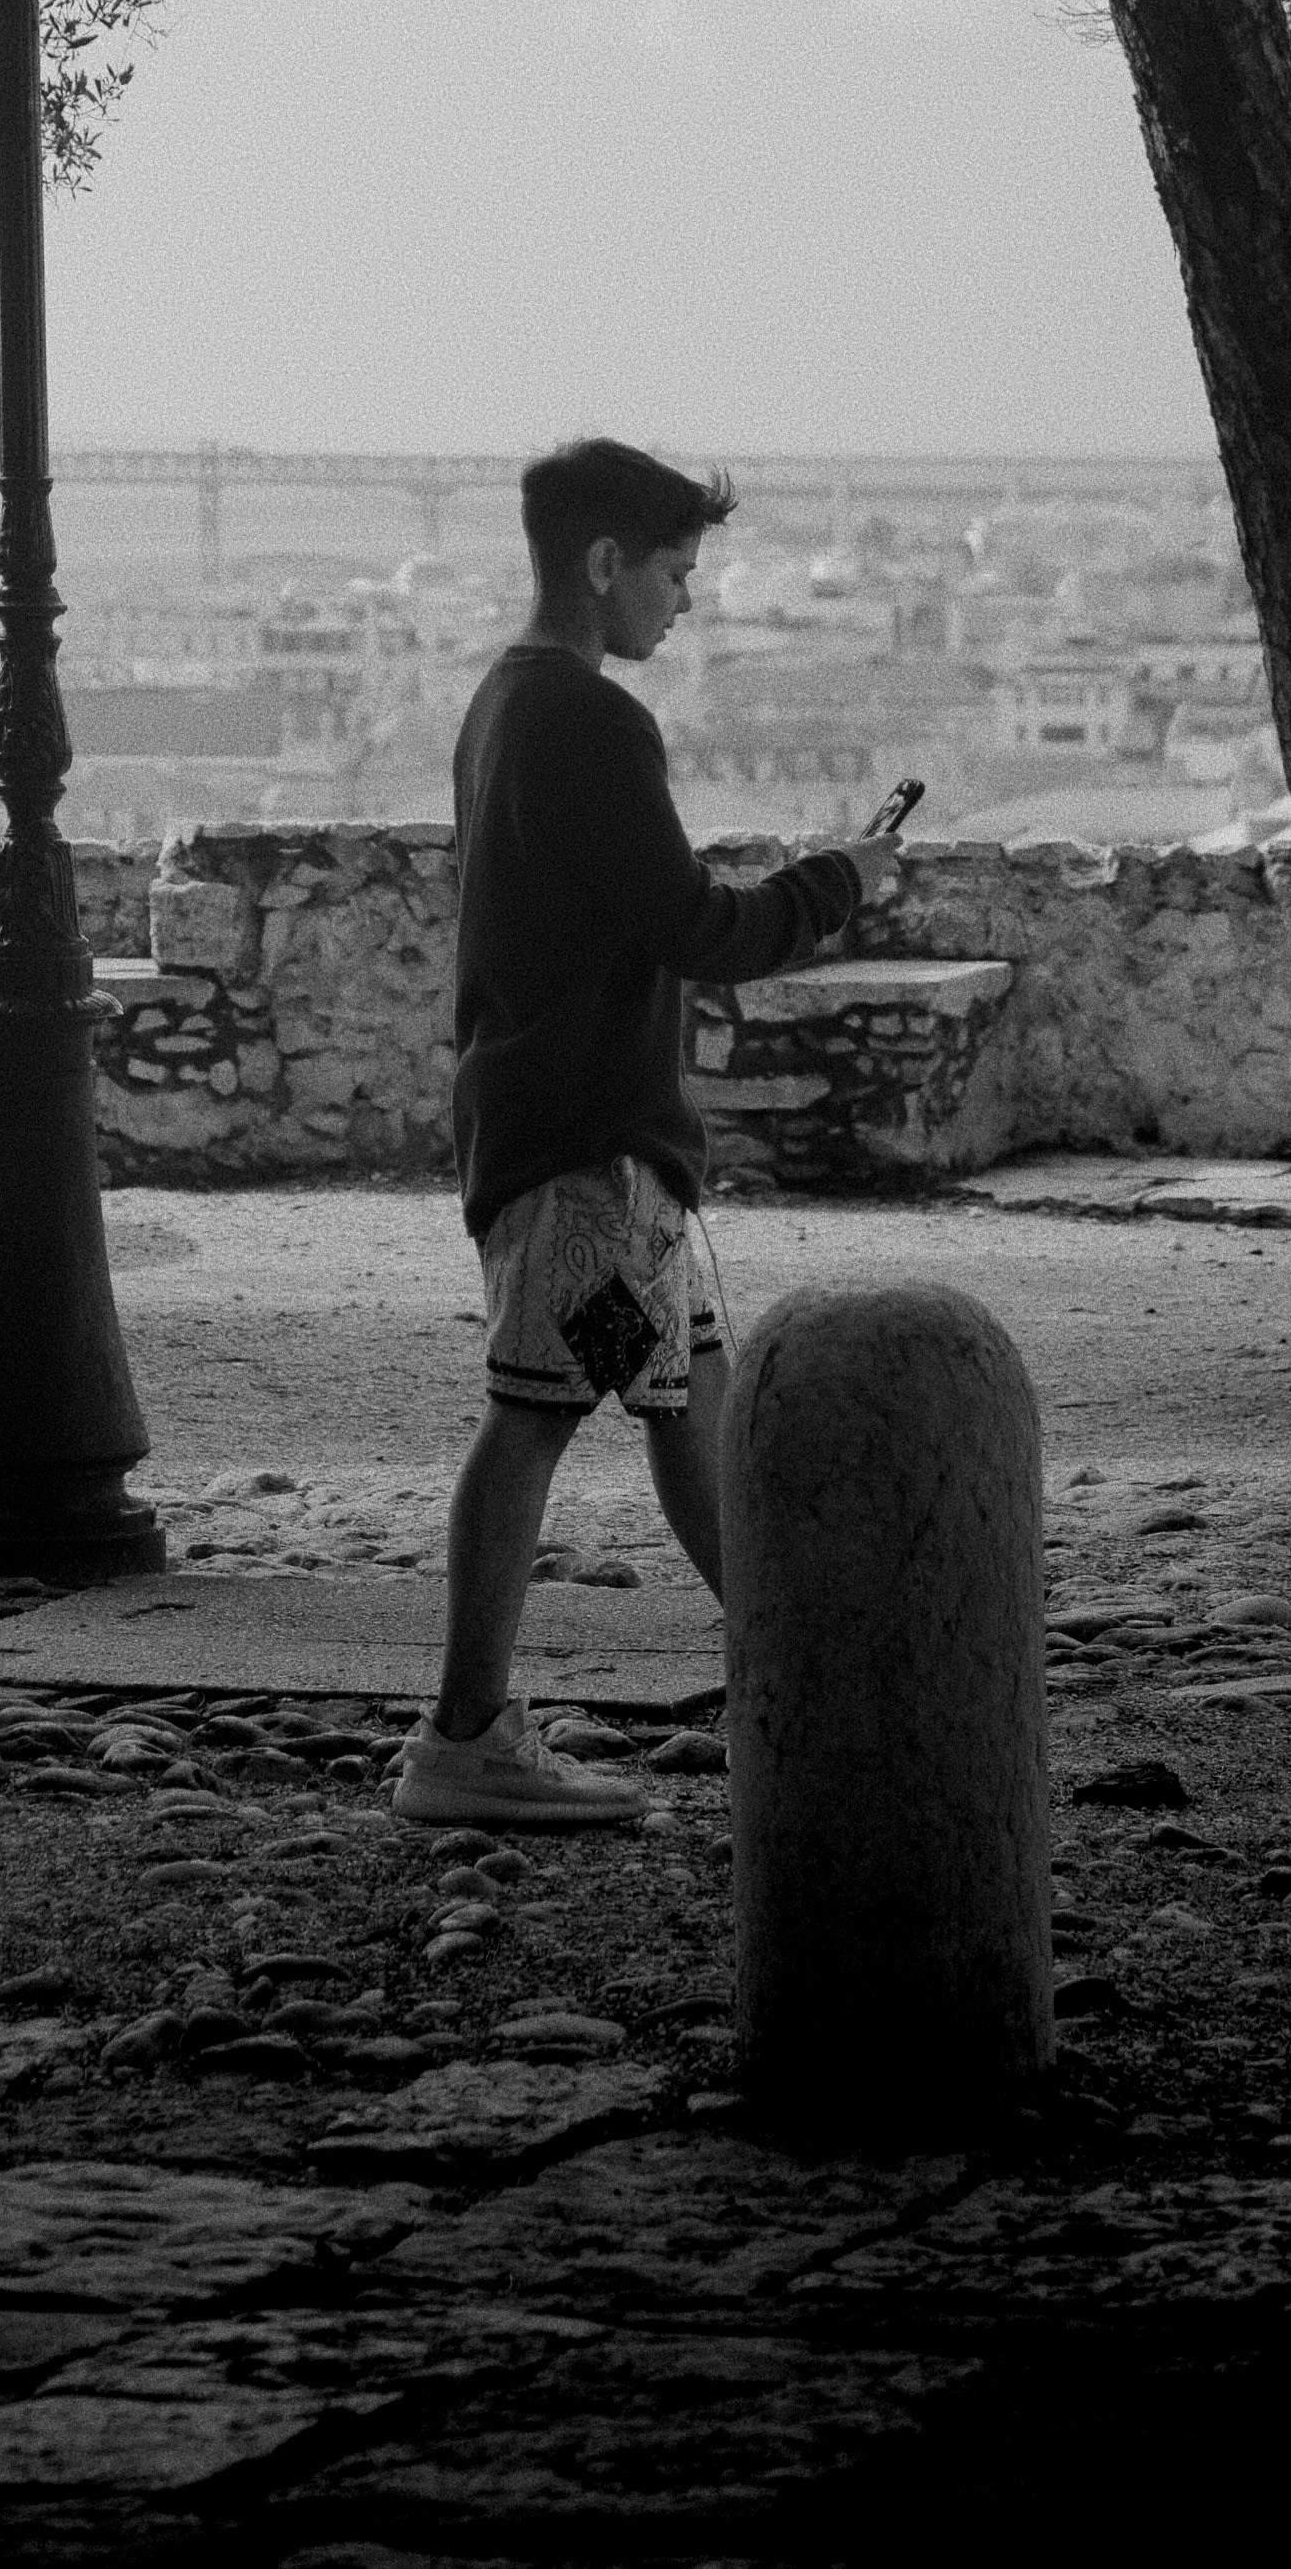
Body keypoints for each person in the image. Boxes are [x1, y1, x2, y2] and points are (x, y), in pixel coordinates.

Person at [393, 436, 884, 1834]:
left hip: (572, 1128)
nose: (684, 599)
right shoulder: (587, 720)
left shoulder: (503, 702)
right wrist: (839, 880)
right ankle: (463, 1736)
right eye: (672, 570)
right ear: (603, 563)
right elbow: (694, 930)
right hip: (586, 1146)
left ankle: (798, 1666)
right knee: (535, 1413)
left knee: (679, 1392)